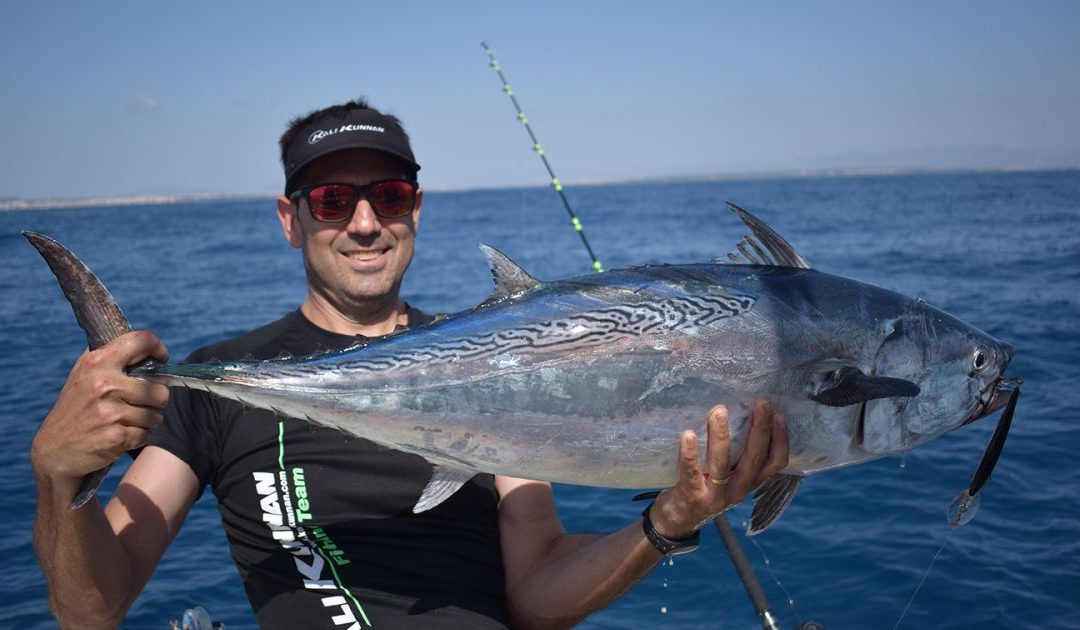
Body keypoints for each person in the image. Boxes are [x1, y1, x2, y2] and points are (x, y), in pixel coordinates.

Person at [31, 98, 789, 629]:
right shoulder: (219, 380)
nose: (365, 223)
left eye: (388, 195)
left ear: (416, 210)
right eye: (332, 201)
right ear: (290, 219)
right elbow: (90, 610)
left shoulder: (508, 362)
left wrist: (668, 520)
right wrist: (60, 477)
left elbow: (537, 600)